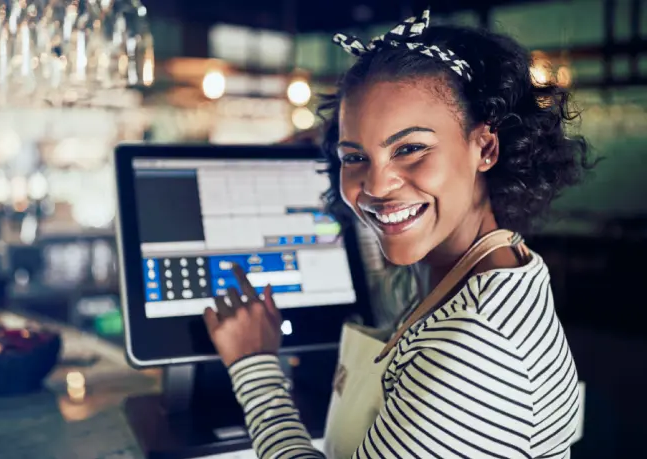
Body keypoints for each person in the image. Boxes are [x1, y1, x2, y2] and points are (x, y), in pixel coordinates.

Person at [203, 9, 592, 459]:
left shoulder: (476, 351)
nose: (375, 186)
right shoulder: (488, 267)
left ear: (484, 147)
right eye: (355, 157)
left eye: (410, 149)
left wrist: (254, 369)